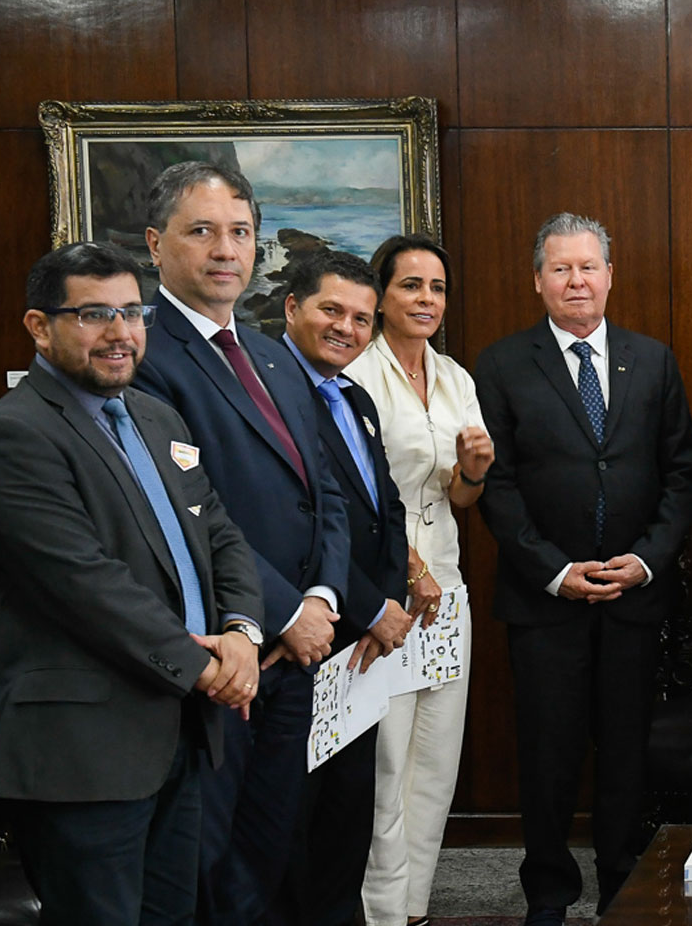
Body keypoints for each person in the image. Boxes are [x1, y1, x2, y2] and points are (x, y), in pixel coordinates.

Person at [0, 242, 262, 926]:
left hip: (178, 732)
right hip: (84, 753)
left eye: (133, 312)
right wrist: (209, 668)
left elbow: (220, 534)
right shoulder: (13, 436)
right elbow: (83, 585)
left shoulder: (156, 418)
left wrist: (244, 633)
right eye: (94, 314)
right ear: (39, 327)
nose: (121, 332)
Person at [132, 161, 351, 925]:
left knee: (271, 850)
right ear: (155, 245)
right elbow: (186, 512)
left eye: (241, 232)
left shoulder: (271, 354)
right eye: (202, 231)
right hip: (221, 655)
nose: (226, 250)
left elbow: (324, 489)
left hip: (297, 657)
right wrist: (286, 613)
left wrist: (322, 598)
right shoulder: (143, 356)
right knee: (204, 863)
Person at [475, 213, 692, 923]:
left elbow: (682, 473)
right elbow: (497, 487)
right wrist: (554, 570)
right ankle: (548, 893)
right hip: (545, 600)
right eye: (561, 268)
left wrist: (647, 560)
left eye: (588, 267)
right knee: (548, 753)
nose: (577, 281)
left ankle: (621, 885)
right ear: (538, 280)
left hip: (633, 596)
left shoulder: (652, 360)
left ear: (610, 276)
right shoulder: (501, 365)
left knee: (626, 752)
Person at [349, 235, 492, 926]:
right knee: (385, 763)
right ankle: (379, 912)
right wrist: (411, 569)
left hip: (448, 587)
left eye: (437, 288)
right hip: (385, 588)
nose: (427, 299)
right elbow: (356, 493)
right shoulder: (357, 373)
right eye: (411, 285)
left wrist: (475, 471)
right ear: (381, 296)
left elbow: (460, 497)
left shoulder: (455, 377)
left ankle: (414, 909)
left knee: (434, 762)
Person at [275, 253, 416, 926]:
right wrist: (367, 606)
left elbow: (386, 508)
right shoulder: (272, 395)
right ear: (291, 308)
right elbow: (293, 526)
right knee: (295, 822)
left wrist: (389, 605)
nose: (347, 328)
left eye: (362, 318)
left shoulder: (354, 397)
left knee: (349, 808)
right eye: (331, 310)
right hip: (301, 634)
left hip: (362, 644)